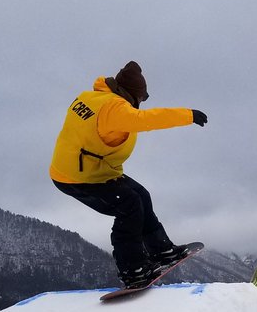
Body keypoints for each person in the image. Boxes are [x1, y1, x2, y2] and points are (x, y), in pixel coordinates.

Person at [50, 61, 208, 289]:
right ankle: (132, 270)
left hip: (90, 169)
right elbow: (146, 120)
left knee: (141, 195)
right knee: (130, 205)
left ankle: (162, 250)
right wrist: (187, 115)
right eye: (142, 99)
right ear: (133, 95)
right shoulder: (116, 108)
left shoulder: (92, 97)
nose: (141, 104)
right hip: (76, 177)